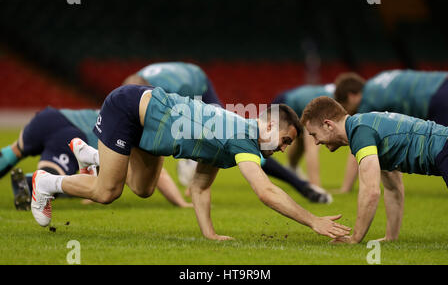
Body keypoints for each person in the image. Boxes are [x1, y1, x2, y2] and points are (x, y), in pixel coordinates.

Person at [31, 85, 351, 241]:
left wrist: (209, 234)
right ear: (268, 126)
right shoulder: (242, 137)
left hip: (148, 126)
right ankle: (45, 183)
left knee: (143, 188)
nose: (283, 149)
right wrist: (313, 221)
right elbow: (265, 191)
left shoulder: (231, 141)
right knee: (106, 192)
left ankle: (97, 157)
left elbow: (199, 186)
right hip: (129, 108)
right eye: (285, 140)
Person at [124, 62, 331, 203]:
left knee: (245, 141)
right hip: (188, 78)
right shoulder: (139, 85)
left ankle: (303, 186)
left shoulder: (157, 94)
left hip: (199, 87)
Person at [300, 96, 448, 244]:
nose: (316, 141)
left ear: (328, 125)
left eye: (314, 134)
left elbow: (371, 191)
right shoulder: (363, 125)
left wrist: (355, 238)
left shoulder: (360, 132)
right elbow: (393, 188)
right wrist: (391, 238)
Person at [0, 106, 193, 210]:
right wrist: (180, 203)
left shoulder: (120, 109)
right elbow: (157, 175)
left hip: (49, 117)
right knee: (53, 180)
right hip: (71, 134)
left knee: (14, 151)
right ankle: (27, 184)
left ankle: (31, 183)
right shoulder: (138, 130)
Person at [334, 69, 448, 192]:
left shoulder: (367, 101)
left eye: (346, 106)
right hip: (444, 81)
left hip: (437, 99)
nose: (349, 112)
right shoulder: (376, 80)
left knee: (444, 147)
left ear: (352, 97)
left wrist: (346, 188)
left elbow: (359, 142)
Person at [271, 83, 336, 188]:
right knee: (311, 144)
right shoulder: (323, 106)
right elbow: (311, 148)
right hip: (283, 106)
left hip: (291, 103)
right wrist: (316, 188)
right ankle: (314, 185)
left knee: (302, 141)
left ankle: (292, 168)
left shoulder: (331, 95)